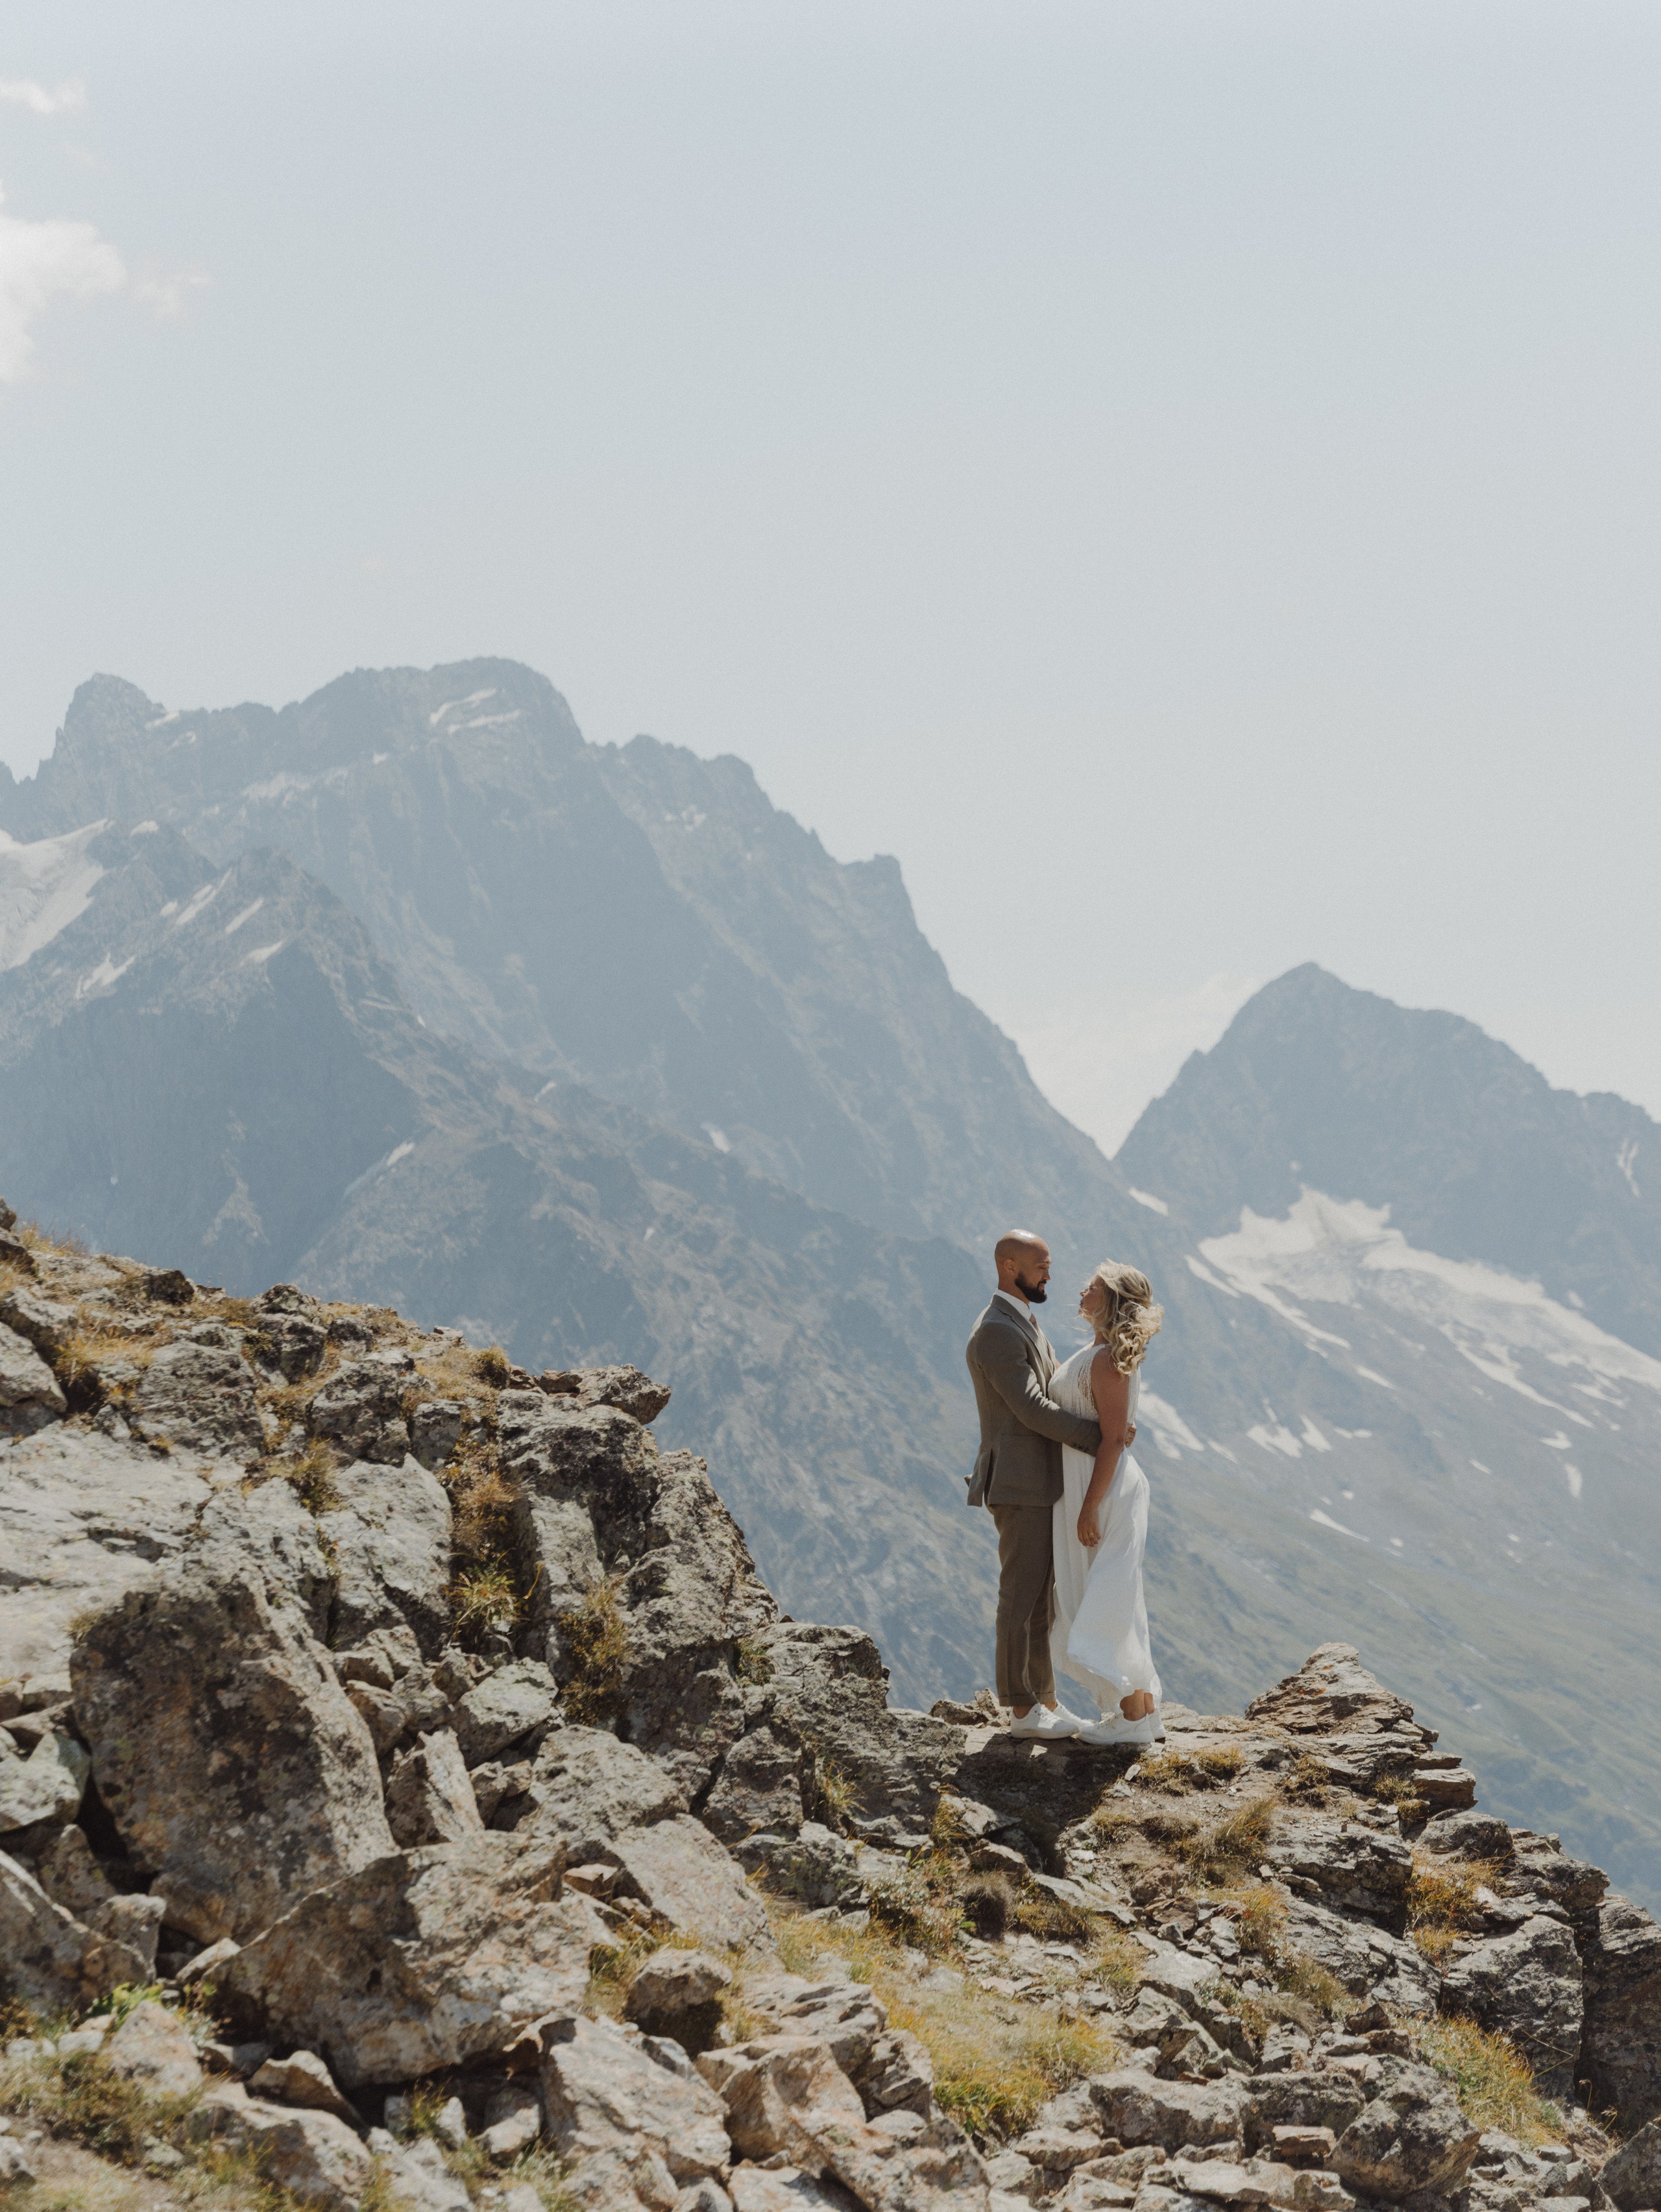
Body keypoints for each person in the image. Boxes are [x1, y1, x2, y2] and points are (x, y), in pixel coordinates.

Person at [965, 1231, 1102, 1738]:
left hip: (1040, 1482)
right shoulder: (997, 1331)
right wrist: (1098, 1436)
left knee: (1042, 1599)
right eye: (1041, 1265)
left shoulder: (1022, 1322)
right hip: (1019, 1484)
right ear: (1009, 1266)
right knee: (1020, 1596)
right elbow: (1030, 1409)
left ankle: (1044, 1698)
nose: (1049, 1274)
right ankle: (1021, 1712)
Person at [1048, 1260, 1165, 1746]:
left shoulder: (1105, 1360)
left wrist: (1088, 1508)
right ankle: (1139, 1714)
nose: (1082, 1290)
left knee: (1104, 1599)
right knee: (1104, 1596)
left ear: (1112, 1299)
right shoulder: (1097, 1352)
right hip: (1087, 1484)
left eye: (1092, 1286)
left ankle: (1132, 1721)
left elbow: (1114, 1439)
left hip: (1103, 1489)